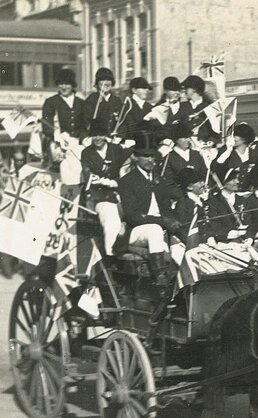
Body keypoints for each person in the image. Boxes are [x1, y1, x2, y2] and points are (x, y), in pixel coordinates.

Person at [117, 134, 184, 294]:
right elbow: (132, 216)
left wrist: (175, 226)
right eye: (145, 156)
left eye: (152, 156)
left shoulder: (160, 181)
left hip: (160, 231)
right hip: (136, 231)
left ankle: (183, 292)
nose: (150, 160)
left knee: (181, 247)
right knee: (153, 229)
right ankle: (160, 278)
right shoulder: (127, 181)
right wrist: (163, 221)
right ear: (136, 158)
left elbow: (167, 210)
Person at [80, 119, 130, 258]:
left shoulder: (116, 149)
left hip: (120, 192)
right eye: (94, 135)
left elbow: (127, 169)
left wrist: (115, 182)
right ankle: (112, 253)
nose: (97, 138)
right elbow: (88, 175)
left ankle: (131, 249)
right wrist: (96, 180)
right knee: (110, 217)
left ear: (106, 135)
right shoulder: (87, 153)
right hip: (99, 196)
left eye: (101, 134)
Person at [41, 67, 85, 159]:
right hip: (58, 145)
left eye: (67, 84)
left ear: (73, 85)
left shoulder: (81, 103)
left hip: (78, 144)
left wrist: (80, 140)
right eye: (61, 84)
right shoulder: (51, 102)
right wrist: (59, 136)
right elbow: (46, 126)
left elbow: (85, 125)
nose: (64, 87)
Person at [83, 67, 123, 135]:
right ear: (97, 83)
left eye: (108, 80)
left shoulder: (117, 100)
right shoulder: (91, 100)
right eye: (102, 80)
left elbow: (121, 122)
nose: (106, 83)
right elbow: (87, 123)